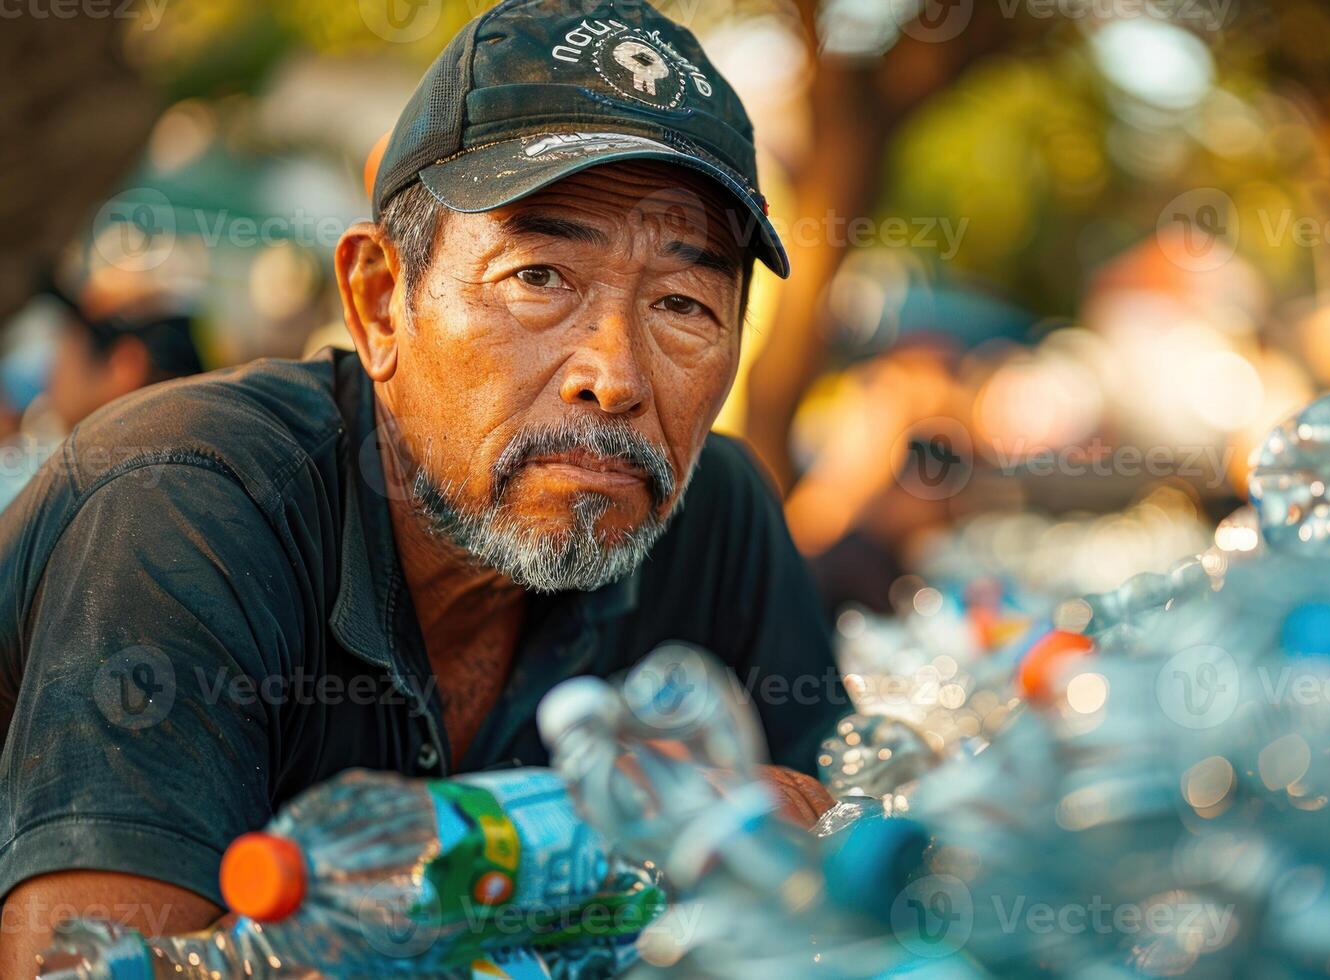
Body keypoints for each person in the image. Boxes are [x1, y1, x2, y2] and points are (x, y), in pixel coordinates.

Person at [0, 1, 845, 971]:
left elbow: (858, 878)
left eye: (684, 303)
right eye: (539, 276)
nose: (614, 374)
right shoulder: (185, 506)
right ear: (377, 302)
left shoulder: (712, 514)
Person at [0, 286, 204, 510]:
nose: (51, 370)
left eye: (68, 348)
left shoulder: (105, 483)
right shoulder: (193, 462)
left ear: (125, 365)